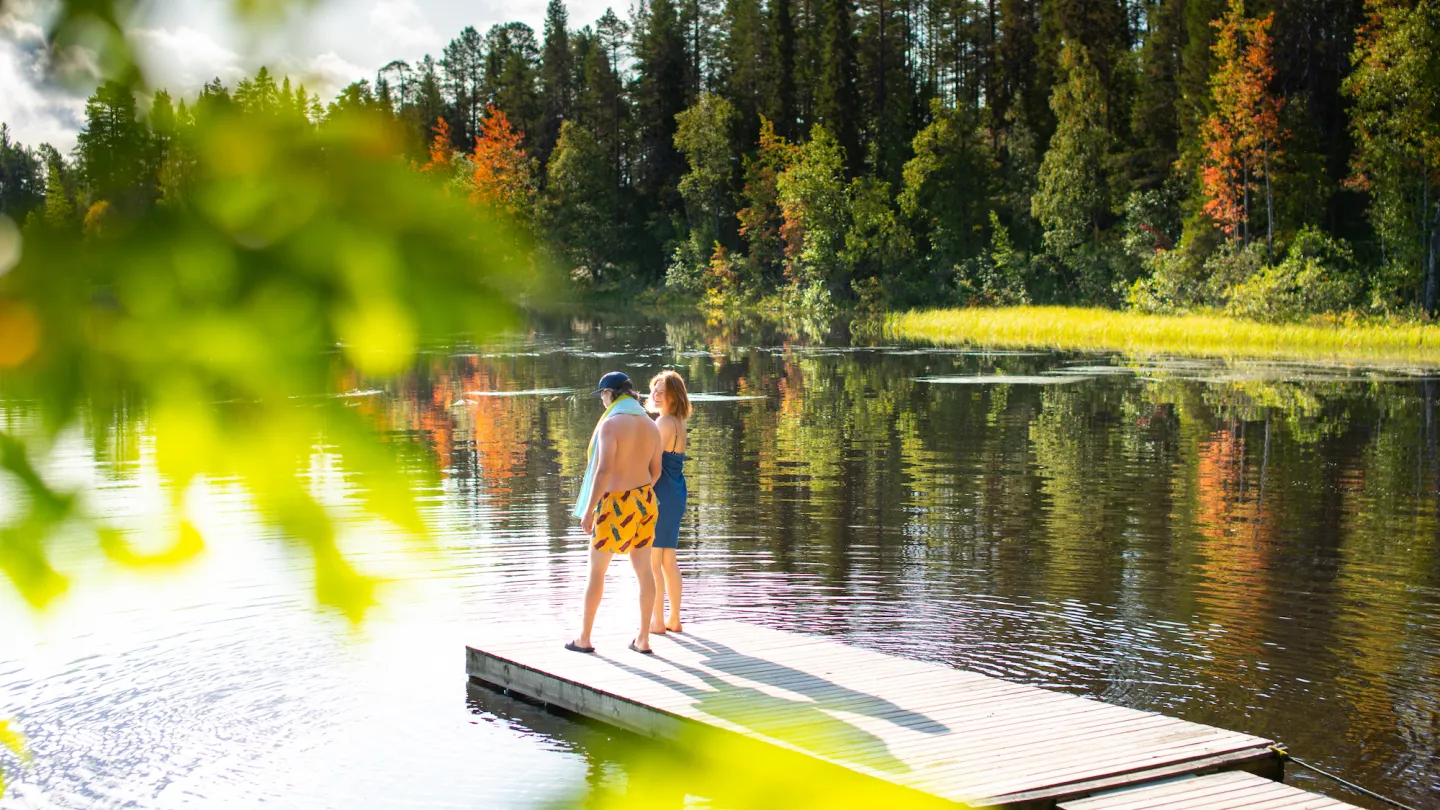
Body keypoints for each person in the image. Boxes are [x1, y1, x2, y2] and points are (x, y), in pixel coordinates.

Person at [567, 371, 663, 655]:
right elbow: (655, 471)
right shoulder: (651, 425)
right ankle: (643, 639)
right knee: (644, 570)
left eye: (603, 397)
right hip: (645, 500)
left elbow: (604, 470)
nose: (602, 403)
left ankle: (584, 639)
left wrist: (588, 510)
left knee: (596, 571)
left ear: (609, 394)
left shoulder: (611, 424)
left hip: (614, 504)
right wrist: (637, 494)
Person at [646, 370, 691, 635]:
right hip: (675, 492)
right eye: (654, 389)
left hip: (660, 492)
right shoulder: (678, 421)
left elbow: (652, 463)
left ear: (675, 396)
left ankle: (657, 622)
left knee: (653, 560)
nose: (656, 394)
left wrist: (638, 492)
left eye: (662, 391)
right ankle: (673, 619)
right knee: (667, 559)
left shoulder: (663, 422)